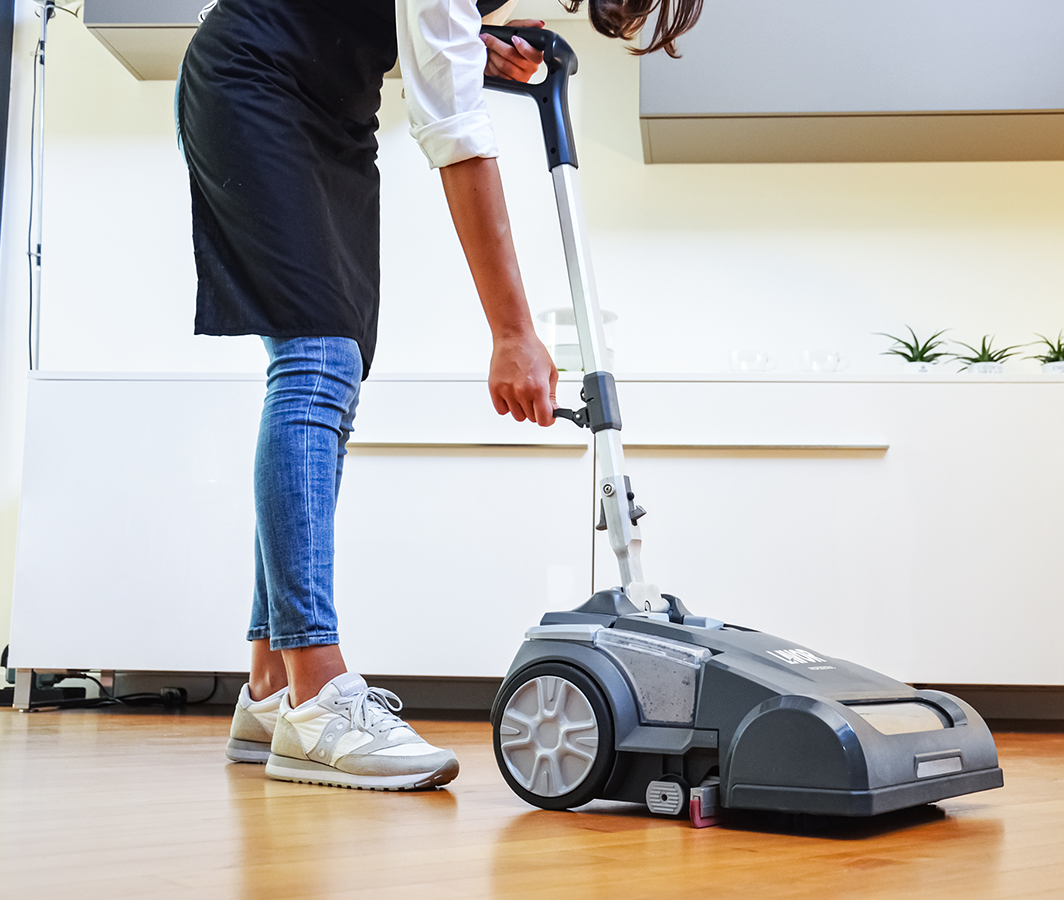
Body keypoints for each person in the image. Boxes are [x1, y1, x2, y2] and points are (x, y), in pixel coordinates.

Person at [176, 0, 704, 792]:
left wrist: (466, 46)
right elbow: (455, 130)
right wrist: (514, 331)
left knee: (332, 368)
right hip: (258, 80)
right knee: (316, 363)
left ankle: (270, 688)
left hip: (331, 104)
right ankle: (318, 692)